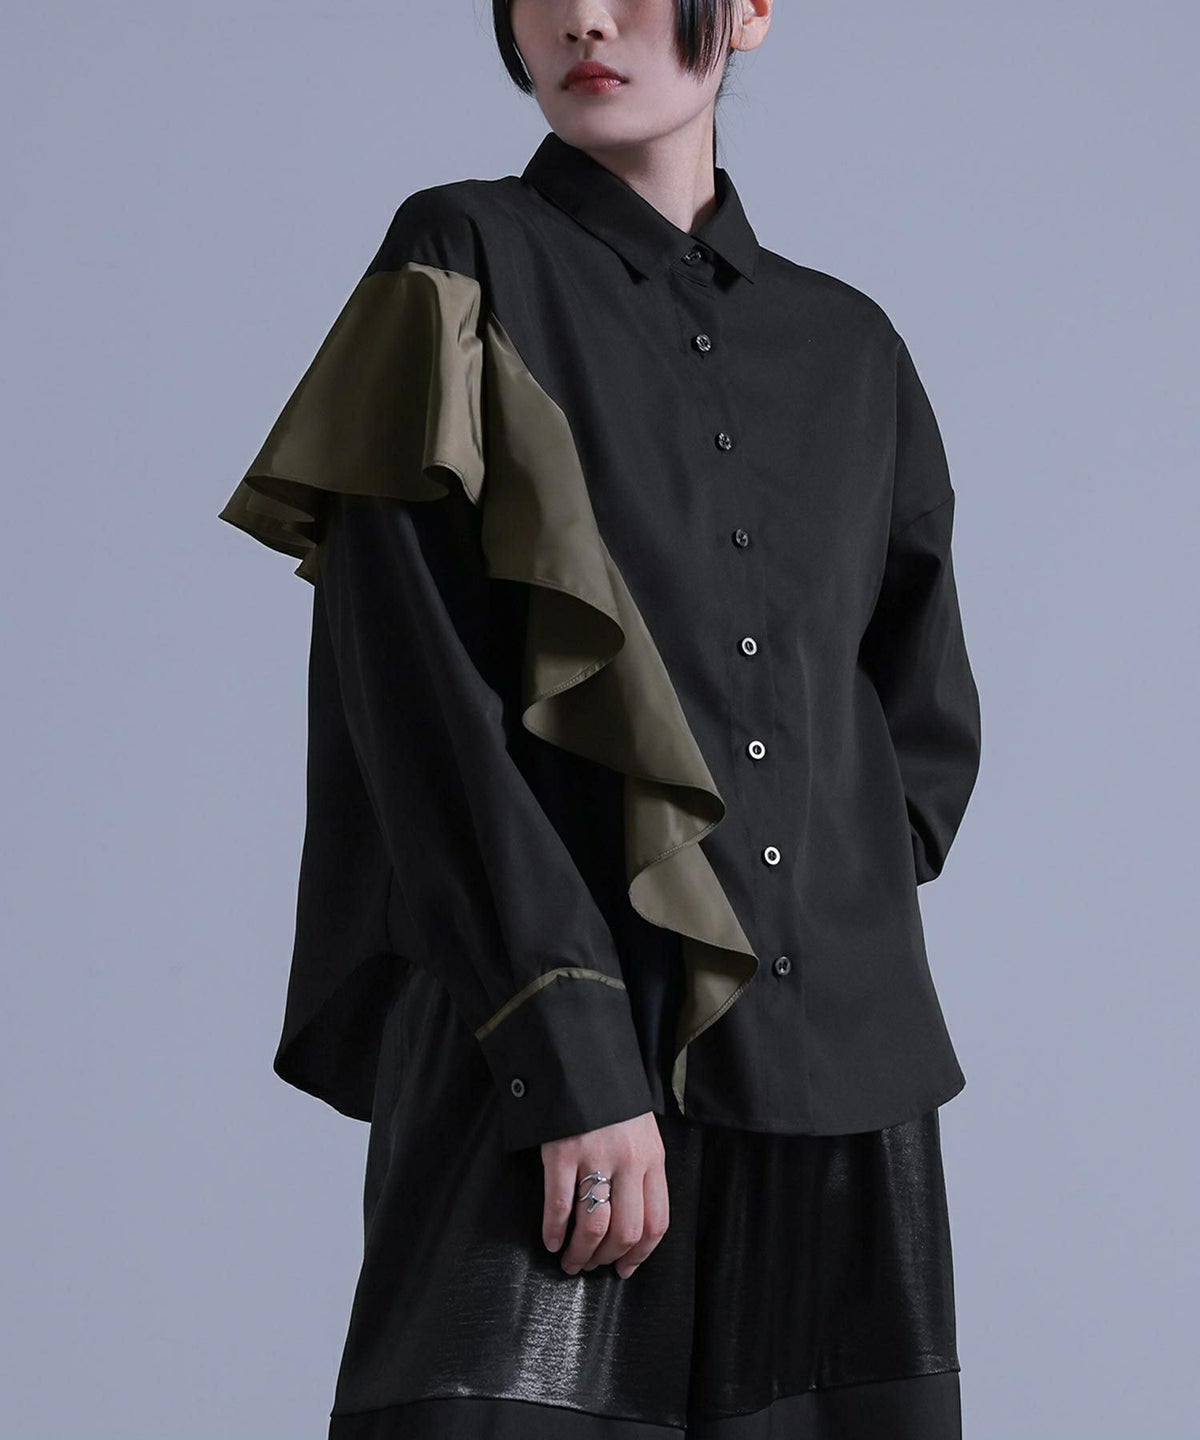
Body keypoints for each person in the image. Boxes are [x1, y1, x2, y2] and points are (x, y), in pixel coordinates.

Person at [218, 2, 982, 1435]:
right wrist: (565, 1044)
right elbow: (416, 698)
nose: (581, 16)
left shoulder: (851, 348)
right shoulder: (458, 258)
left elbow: (916, 712)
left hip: (838, 1099)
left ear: (749, 9)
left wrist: (830, 915)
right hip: (545, 1059)